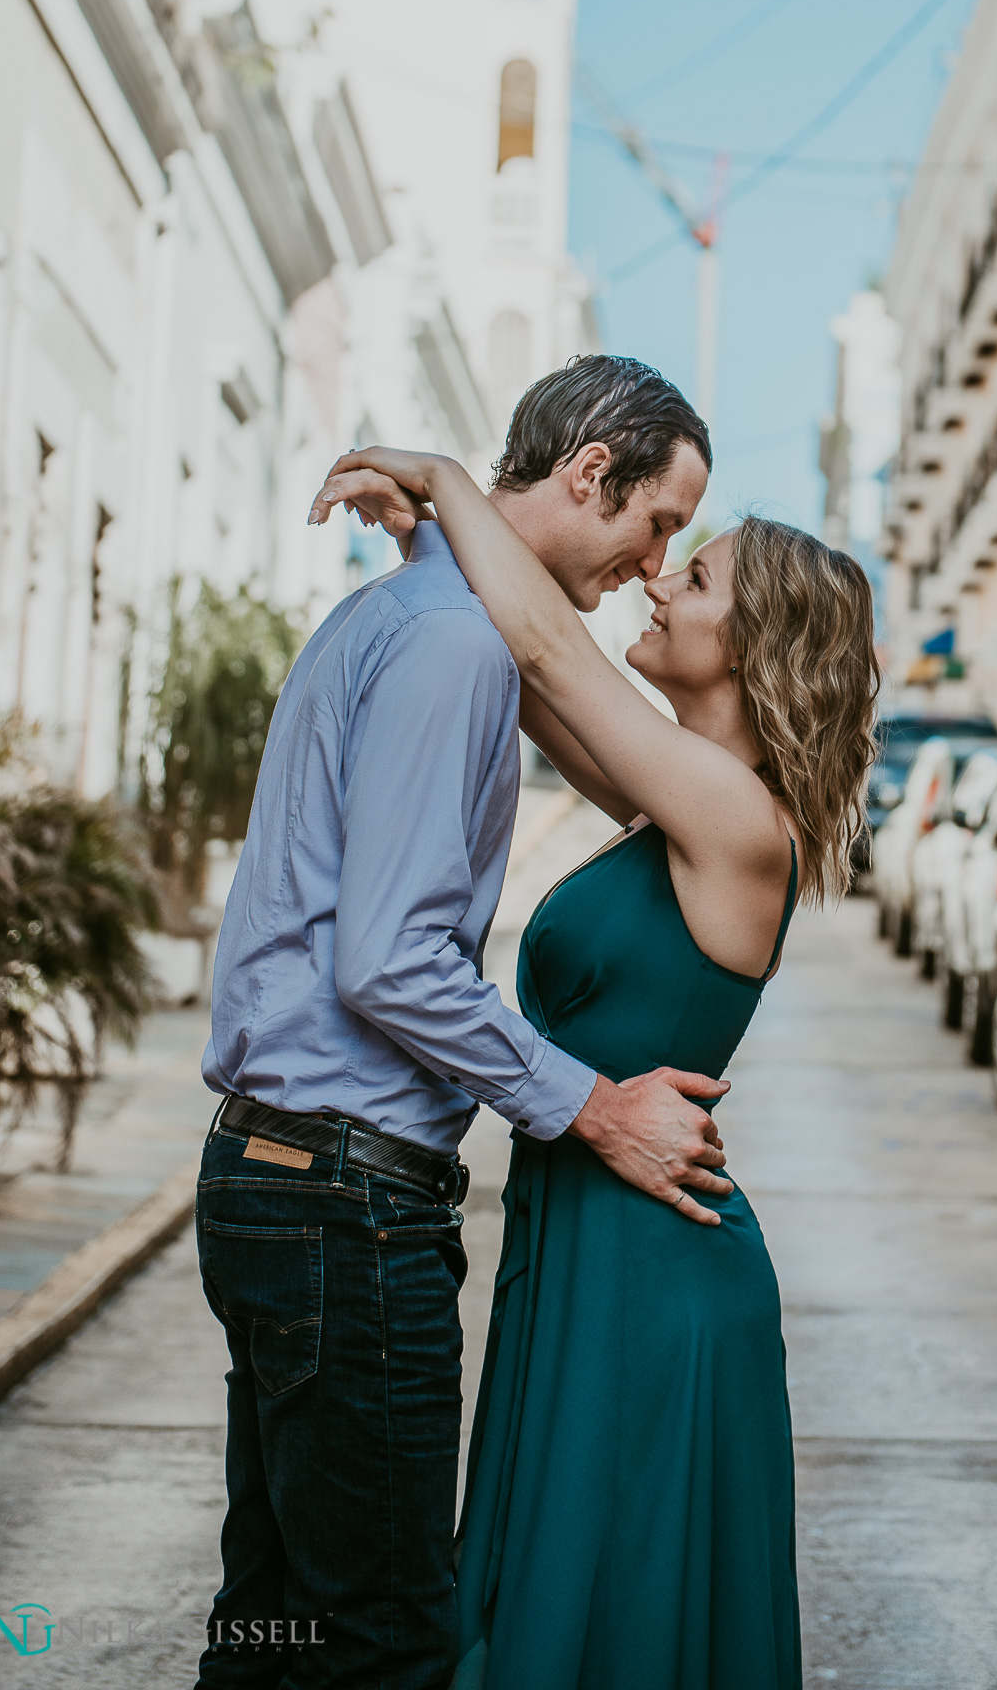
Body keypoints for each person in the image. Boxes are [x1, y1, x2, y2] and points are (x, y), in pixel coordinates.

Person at [194, 356, 725, 1690]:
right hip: (340, 1204)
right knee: (384, 1638)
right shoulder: (455, 646)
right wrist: (591, 1106)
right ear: (588, 472)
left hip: (279, 1178)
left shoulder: (410, 613)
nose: (654, 564)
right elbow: (390, 963)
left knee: (273, 1622)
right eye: (659, 522)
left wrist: (441, 506)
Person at [319, 442, 880, 1690]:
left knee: (606, 1614)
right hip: (580, 1243)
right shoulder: (671, 801)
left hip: (651, 1276)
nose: (659, 582)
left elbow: (545, 654)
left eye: (699, 578)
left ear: (753, 644)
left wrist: (443, 474)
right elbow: (519, 675)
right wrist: (430, 534)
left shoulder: (733, 816)